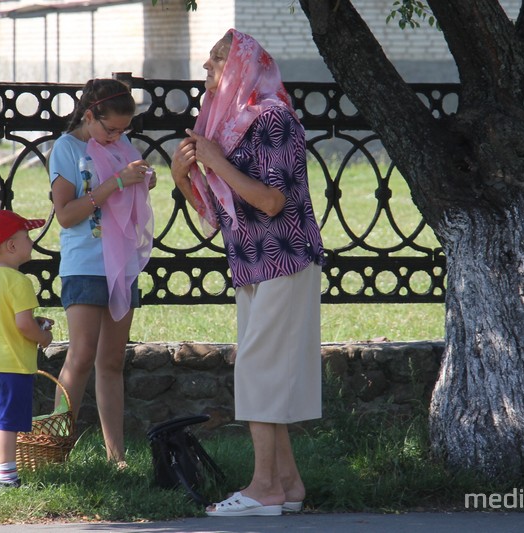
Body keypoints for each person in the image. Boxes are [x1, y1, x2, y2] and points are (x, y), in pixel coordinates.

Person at [170, 29, 325, 517]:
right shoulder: (232, 122)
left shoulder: (274, 118)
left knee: (258, 371)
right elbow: (220, 211)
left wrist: (214, 158)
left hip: (283, 258)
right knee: (268, 374)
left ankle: (264, 490)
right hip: (253, 262)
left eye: (217, 59)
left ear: (243, 66)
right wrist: (182, 177)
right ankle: (288, 485)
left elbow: (271, 200)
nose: (207, 68)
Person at [48, 78, 156, 468]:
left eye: (123, 131)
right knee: (80, 357)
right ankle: (54, 452)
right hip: (85, 266)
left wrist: (143, 182)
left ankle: (117, 458)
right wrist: (115, 183)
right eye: (110, 128)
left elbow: (126, 195)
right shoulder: (66, 149)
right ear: (89, 115)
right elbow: (65, 215)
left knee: (111, 363)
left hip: (120, 266)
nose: (116, 137)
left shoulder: (120, 146)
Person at [0, 209, 54, 488]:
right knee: (9, 423)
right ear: (11, 245)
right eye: (27, 236)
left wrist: (35, 323)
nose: (31, 241)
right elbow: (23, 325)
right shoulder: (20, 282)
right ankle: (9, 478)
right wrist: (43, 337)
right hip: (15, 363)